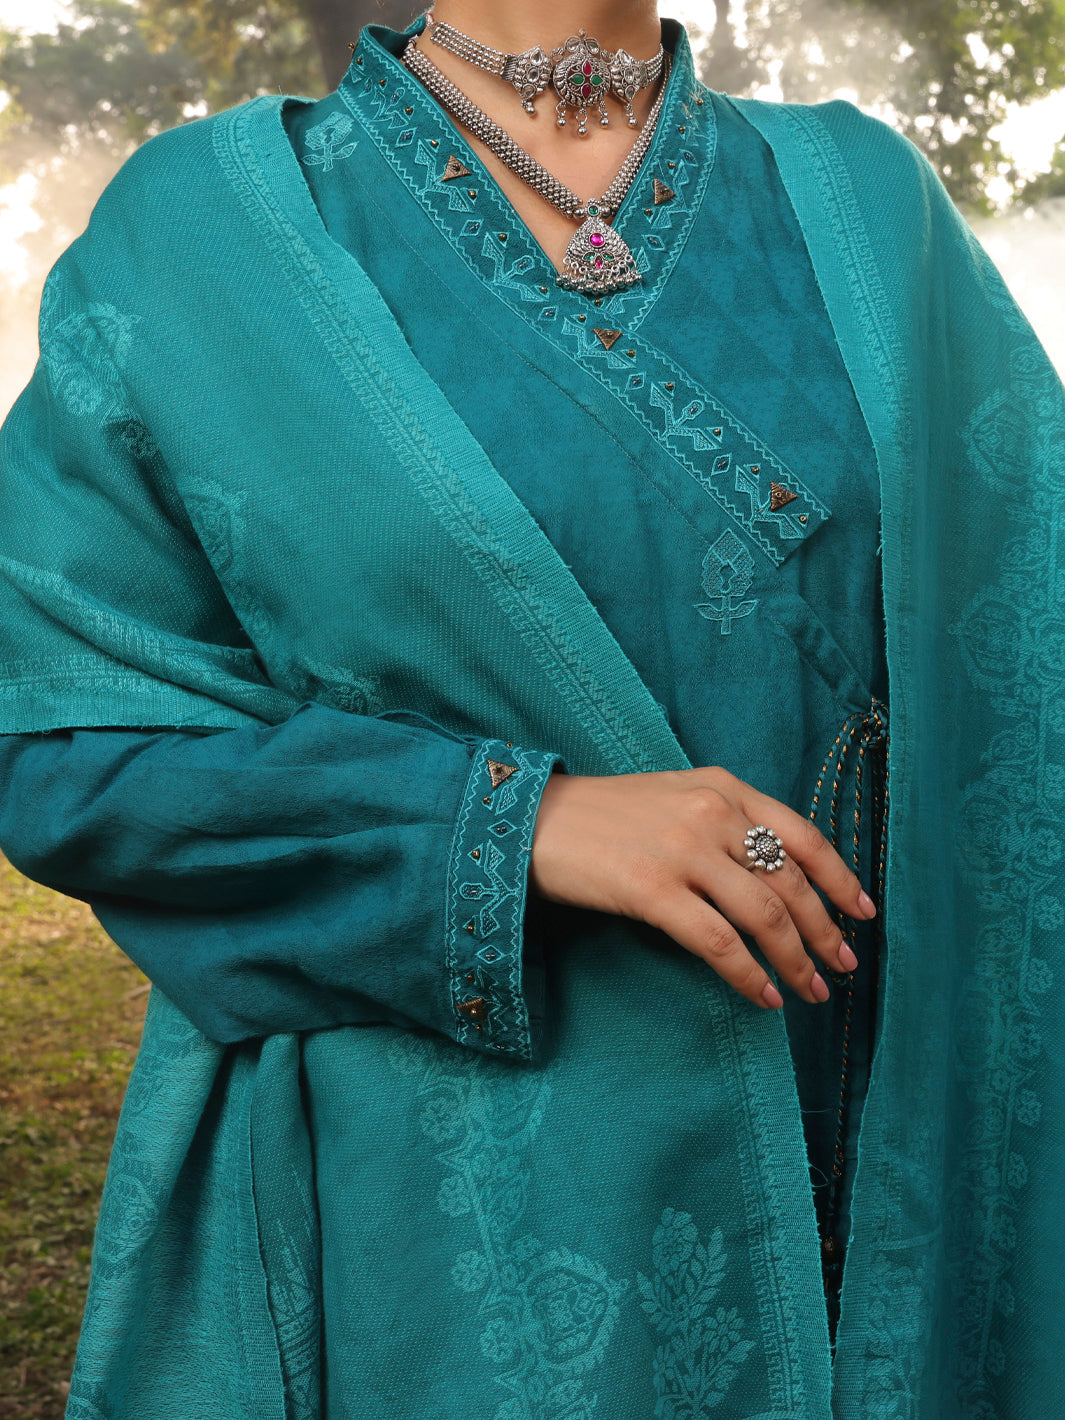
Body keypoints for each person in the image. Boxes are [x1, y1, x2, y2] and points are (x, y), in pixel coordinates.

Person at [0, 1, 1061, 1415]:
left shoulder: (869, 206)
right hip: (470, 1227)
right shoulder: (202, 242)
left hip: (887, 1172)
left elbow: (1030, 651)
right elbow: (61, 738)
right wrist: (517, 828)